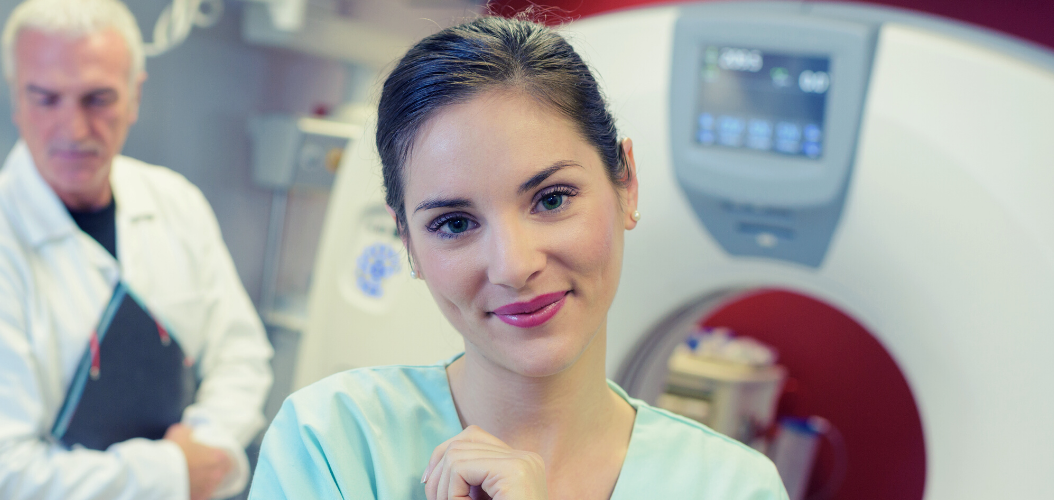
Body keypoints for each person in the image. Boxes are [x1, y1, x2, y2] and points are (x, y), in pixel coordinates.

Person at [250, 16, 788, 500]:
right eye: (455, 224)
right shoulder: (334, 443)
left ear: (626, 184)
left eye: (552, 199)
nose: (513, 265)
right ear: (408, 243)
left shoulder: (733, 486)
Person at [0, 0, 274, 499]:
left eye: (98, 99)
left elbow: (240, 355)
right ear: (17, 100)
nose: (75, 129)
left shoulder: (175, 203)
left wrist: (205, 446)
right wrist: (171, 474)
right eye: (45, 98)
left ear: (134, 96)